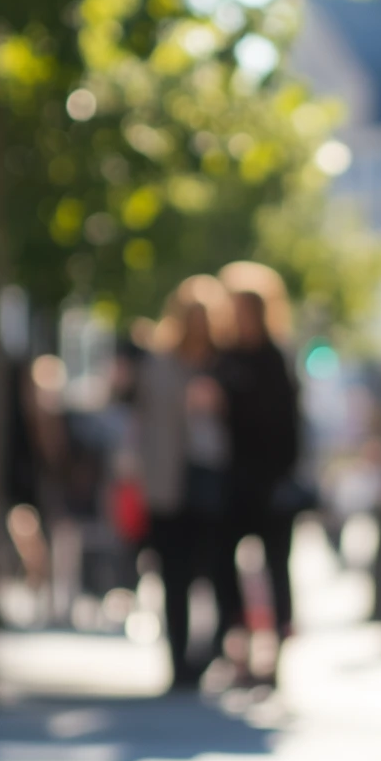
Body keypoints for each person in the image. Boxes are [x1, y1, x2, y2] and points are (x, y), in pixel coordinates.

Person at [136, 275, 239, 691]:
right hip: (168, 483)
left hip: (215, 480)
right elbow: (144, 425)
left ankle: (210, 650)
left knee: (217, 572)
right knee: (173, 577)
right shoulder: (159, 365)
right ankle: (178, 662)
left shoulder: (226, 366)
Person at [214, 262, 304, 682]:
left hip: (271, 481)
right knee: (222, 565)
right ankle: (238, 648)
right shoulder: (222, 359)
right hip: (230, 480)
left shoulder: (276, 359)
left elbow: (291, 425)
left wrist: (285, 475)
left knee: (276, 567)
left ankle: (275, 656)